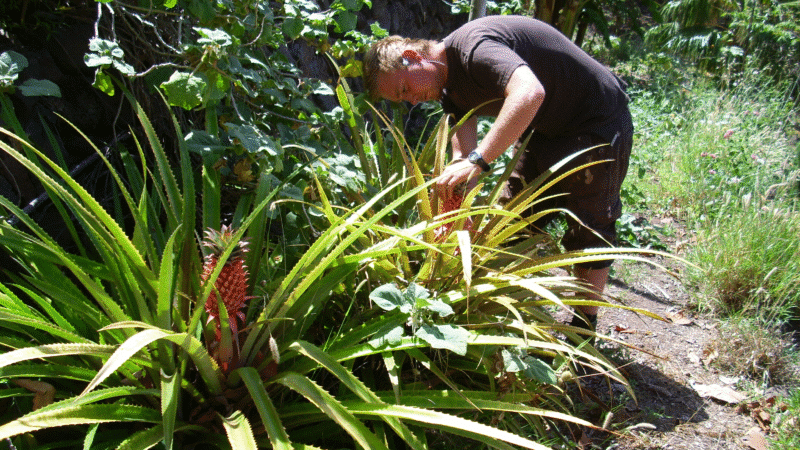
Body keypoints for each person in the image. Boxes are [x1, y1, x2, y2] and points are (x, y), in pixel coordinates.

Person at [362, 15, 633, 340]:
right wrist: (459, 210)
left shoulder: (473, 47)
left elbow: (530, 93)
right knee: (513, 219)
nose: (412, 100)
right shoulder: (448, 89)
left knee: (589, 225)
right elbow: (462, 155)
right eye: (402, 99)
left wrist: (479, 160)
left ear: (414, 57)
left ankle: (583, 331)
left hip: (595, 117)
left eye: (405, 88)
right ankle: (509, 317)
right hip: (544, 128)